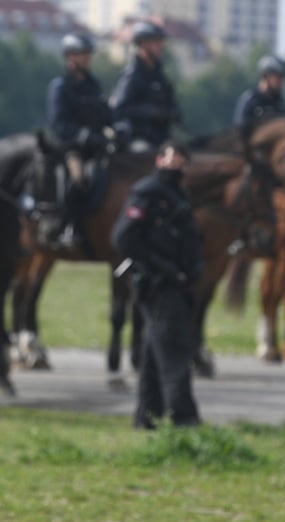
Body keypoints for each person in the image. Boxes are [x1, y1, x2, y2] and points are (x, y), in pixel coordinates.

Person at [111, 141, 202, 429]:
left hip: (177, 283)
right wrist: (157, 269)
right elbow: (123, 238)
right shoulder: (147, 192)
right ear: (159, 159)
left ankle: (146, 416)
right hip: (158, 283)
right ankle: (183, 416)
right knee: (175, 350)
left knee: (154, 351)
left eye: (181, 157)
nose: (175, 161)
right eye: (170, 155)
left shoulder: (179, 196)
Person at [45, 32, 113, 248]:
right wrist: (85, 136)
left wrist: (118, 127)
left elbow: (105, 114)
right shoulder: (60, 86)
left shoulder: (93, 85)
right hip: (71, 148)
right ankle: (68, 226)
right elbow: (59, 124)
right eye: (81, 54)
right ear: (69, 57)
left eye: (87, 54)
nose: (86, 59)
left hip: (97, 147)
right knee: (79, 178)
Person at [110, 21, 181, 153]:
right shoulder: (132, 76)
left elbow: (172, 103)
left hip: (161, 138)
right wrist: (151, 112)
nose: (160, 46)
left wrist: (172, 112)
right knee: (148, 155)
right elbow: (120, 109)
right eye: (156, 42)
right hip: (138, 139)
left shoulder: (159, 75)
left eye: (160, 42)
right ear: (142, 44)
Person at [233, 54, 285, 142]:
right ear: (266, 76)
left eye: (283, 78)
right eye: (278, 77)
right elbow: (240, 131)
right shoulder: (251, 101)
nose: (282, 82)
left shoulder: (281, 104)